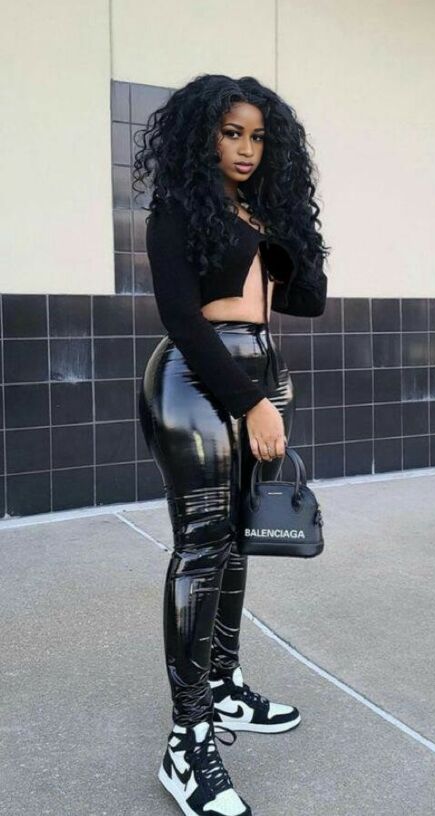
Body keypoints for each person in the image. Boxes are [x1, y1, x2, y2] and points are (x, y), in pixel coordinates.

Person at [133, 74, 329, 816]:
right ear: (203, 136)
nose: (246, 149)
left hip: (263, 369)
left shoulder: (259, 210)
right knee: (204, 545)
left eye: (258, 137)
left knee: (239, 541)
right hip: (196, 376)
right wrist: (249, 403)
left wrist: (291, 228)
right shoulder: (179, 210)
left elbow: (309, 300)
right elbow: (182, 320)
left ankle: (222, 686)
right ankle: (186, 743)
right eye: (231, 133)